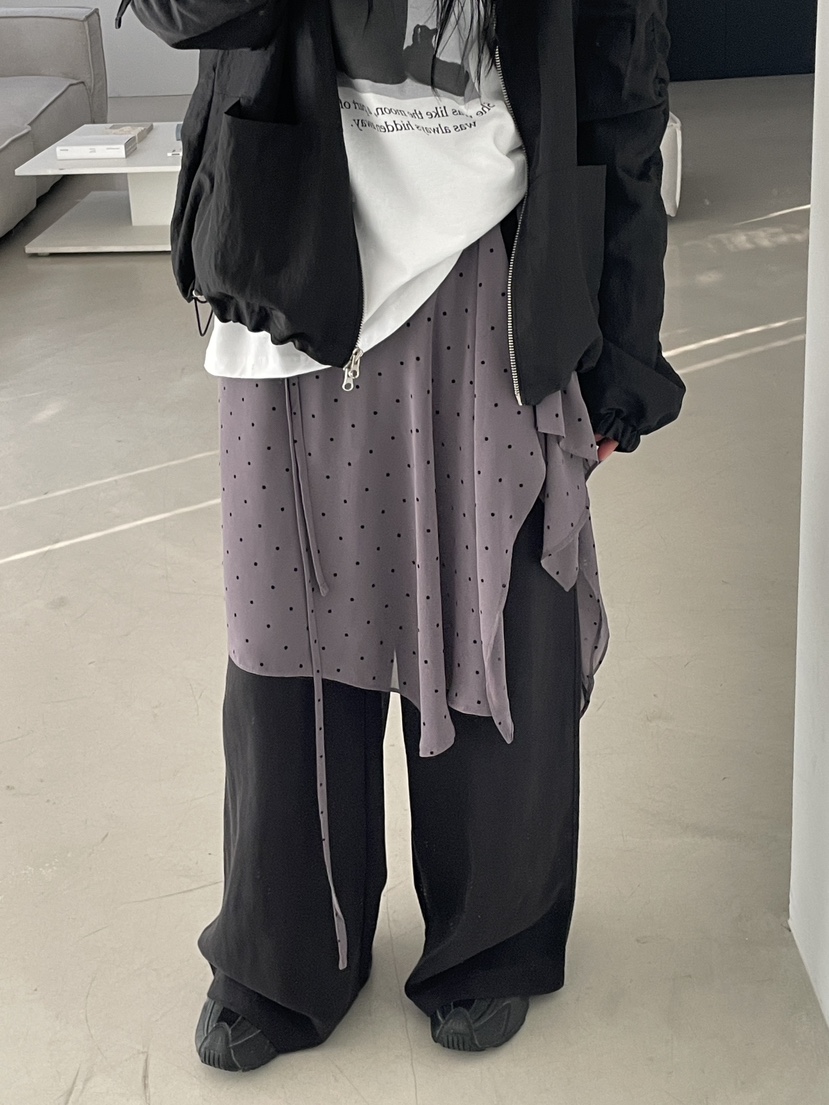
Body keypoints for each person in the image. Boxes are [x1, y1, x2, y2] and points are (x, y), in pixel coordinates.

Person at [117, 0, 685, 1072]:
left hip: (499, 250)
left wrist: (625, 343)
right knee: (285, 626)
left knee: (500, 613)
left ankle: (491, 936)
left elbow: (621, 67)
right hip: (287, 238)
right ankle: (288, 949)